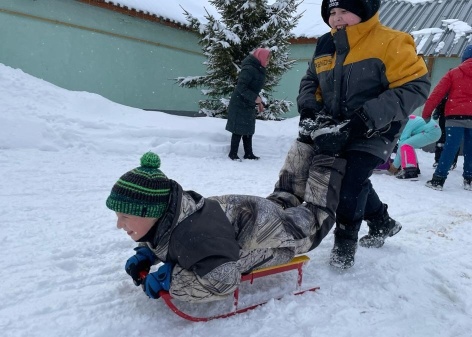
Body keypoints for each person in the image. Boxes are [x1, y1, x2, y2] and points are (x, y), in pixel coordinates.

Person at [106, 137, 347, 303]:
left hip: (274, 235)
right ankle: (306, 139)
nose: (119, 224)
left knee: (316, 217)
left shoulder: (192, 241)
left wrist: (172, 281)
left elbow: (224, 280)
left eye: (125, 216)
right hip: (250, 216)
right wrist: (148, 252)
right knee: (285, 195)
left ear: (151, 211)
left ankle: (329, 151)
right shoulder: (172, 210)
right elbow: (163, 233)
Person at [295, 0, 431, 269]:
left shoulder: (392, 41)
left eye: (344, 11)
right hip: (336, 126)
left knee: (349, 182)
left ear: (363, 11)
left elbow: (415, 86)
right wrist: (310, 108)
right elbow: (311, 81)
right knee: (350, 177)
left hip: (378, 126)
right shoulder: (325, 44)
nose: (337, 18)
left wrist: (365, 117)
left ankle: (345, 245)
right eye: (332, 13)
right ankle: (382, 222)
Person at [422, 45, 472, 191]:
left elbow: (437, 94)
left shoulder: (454, 73)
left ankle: (438, 180)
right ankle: (469, 180)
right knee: (470, 149)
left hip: (454, 116)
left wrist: (426, 113)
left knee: (450, 147)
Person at [225, 48, 271, 161]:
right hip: (239, 102)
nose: (268, 61)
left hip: (248, 102)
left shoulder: (258, 69)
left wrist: (258, 101)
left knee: (248, 128)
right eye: (268, 59)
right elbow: (241, 87)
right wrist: (255, 98)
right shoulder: (249, 69)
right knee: (238, 129)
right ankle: (233, 154)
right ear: (261, 57)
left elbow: (253, 87)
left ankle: (248, 153)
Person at [387, 115, 441, 179]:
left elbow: (401, 144)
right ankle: (415, 168)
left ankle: (410, 171)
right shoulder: (407, 119)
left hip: (431, 131)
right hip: (434, 130)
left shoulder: (404, 124)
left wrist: (394, 166)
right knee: (409, 145)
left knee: (405, 145)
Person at [431, 96, 460, 169]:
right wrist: (437, 110)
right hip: (445, 115)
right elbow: (441, 98)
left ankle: (452, 161)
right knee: (442, 138)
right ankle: (438, 160)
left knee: (453, 139)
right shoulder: (448, 90)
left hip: (457, 116)